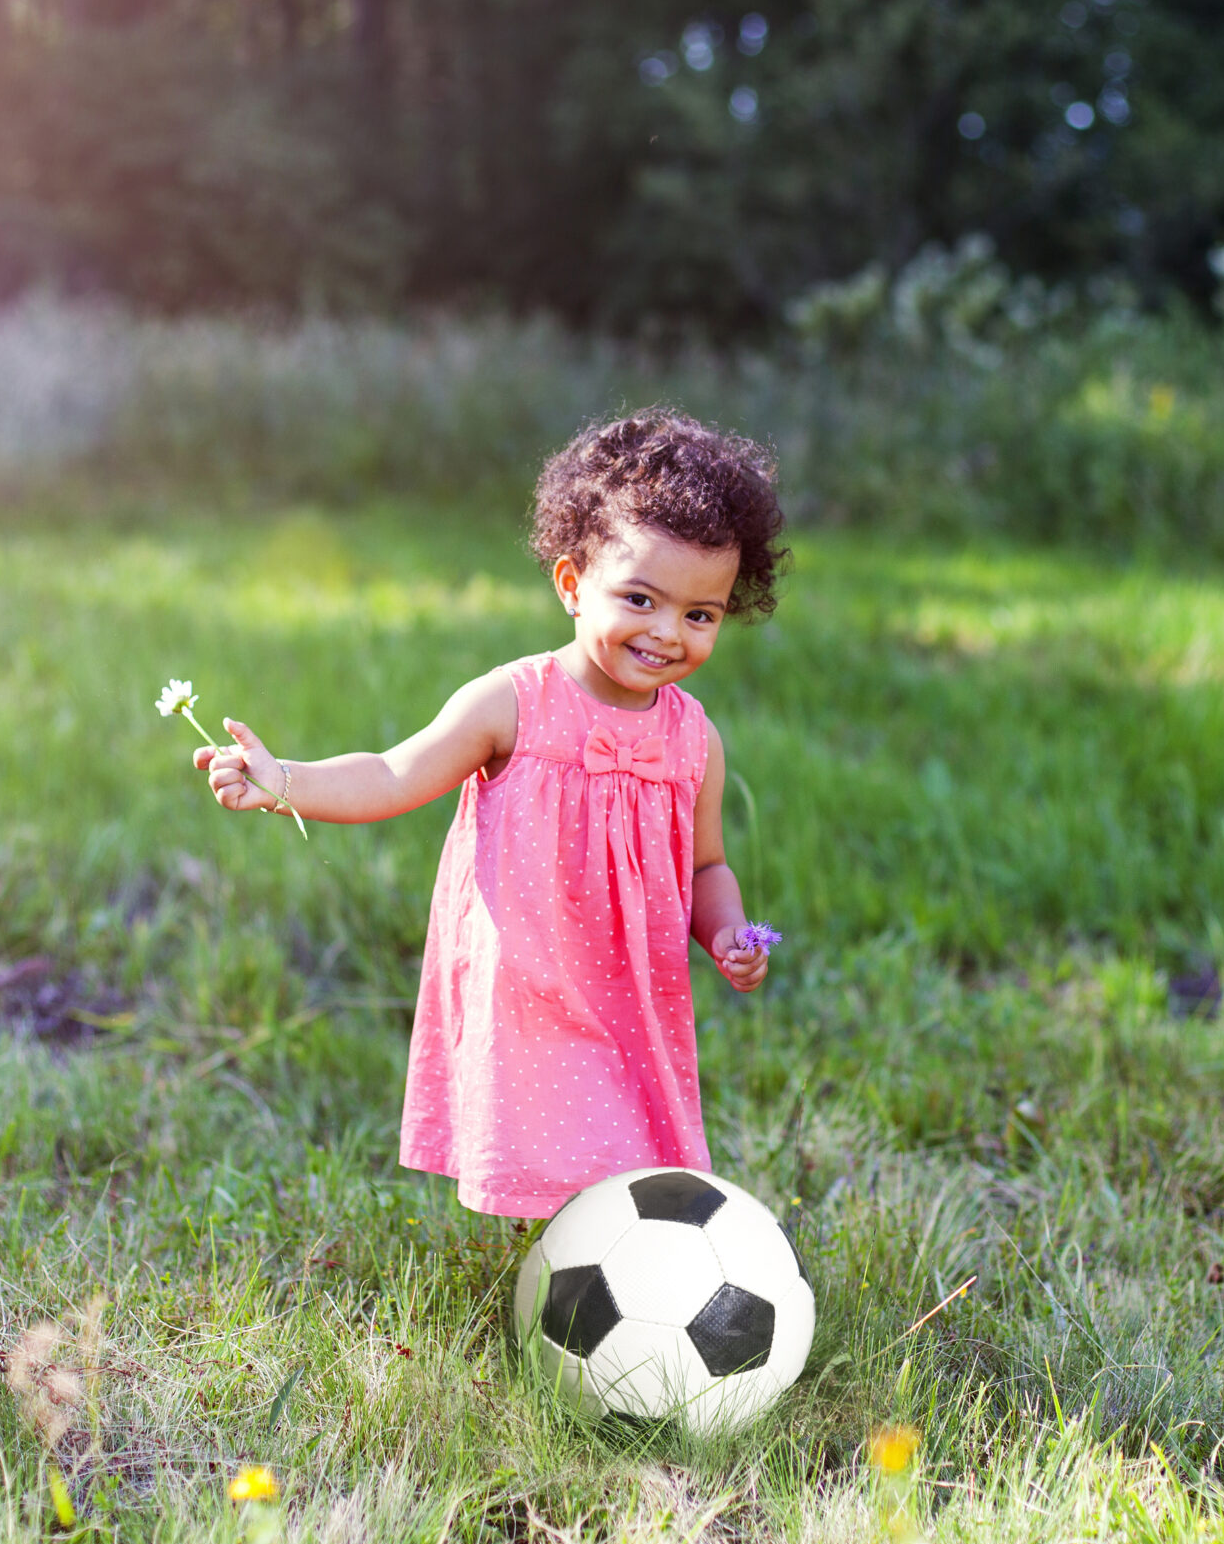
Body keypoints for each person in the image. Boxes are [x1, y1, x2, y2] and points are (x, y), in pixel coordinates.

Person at [191, 409, 786, 1217]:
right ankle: (552, 1266)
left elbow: (706, 865)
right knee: (549, 1145)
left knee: (627, 1151)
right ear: (573, 585)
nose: (665, 632)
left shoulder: (693, 740)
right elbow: (394, 773)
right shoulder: (513, 702)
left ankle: (619, 1267)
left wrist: (726, 932)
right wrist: (284, 778)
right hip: (529, 976)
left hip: (631, 990)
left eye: (699, 614)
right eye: (640, 598)